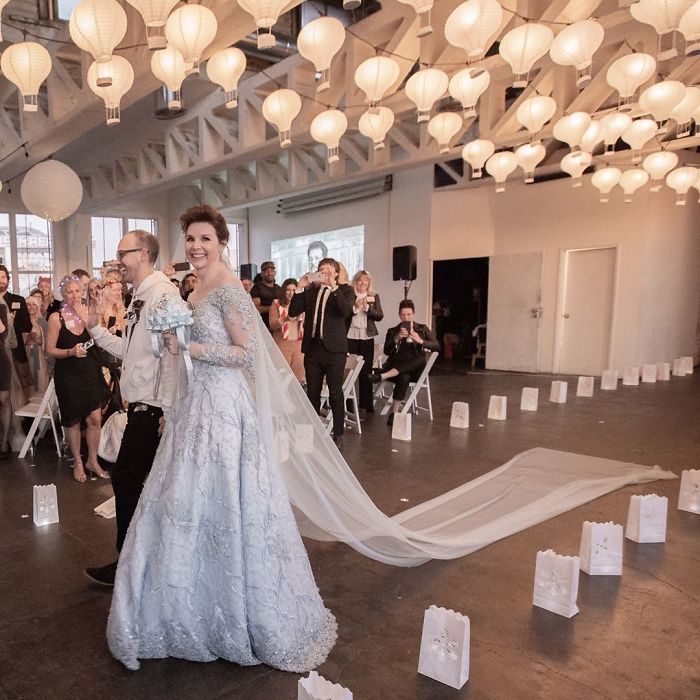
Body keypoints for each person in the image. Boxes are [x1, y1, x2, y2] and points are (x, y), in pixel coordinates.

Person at [106, 204, 336, 672]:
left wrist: (190, 345)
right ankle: (187, 600)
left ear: (221, 242)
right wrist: (175, 344)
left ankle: (234, 607)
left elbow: (247, 353)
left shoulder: (229, 290)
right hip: (195, 406)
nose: (196, 246)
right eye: (190, 238)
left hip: (226, 410)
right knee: (183, 500)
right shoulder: (194, 288)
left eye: (205, 238)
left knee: (226, 502)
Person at [79, 230, 183, 586]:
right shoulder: (142, 295)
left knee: (128, 478)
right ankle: (139, 557)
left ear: (143, 253)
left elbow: (175, 357)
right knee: (137, 482)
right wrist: (93, 325)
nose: (116, 261)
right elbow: (132, 350)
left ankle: (131, 560)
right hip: (141, 405)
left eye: (122, 253)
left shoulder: (164, 294)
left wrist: (169, 411)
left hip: (153, 409)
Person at [45, 276, 110, 482]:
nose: (74, 295)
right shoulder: (56, 318)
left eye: (77, 291)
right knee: (72, 421)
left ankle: (92, 459)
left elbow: (99, 341)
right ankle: (78, 461)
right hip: (68, 374)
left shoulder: (88, 313)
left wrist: (87, 317)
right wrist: (71, 352)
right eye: (69, 292)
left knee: (95, 418)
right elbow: (49, 350)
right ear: (62, 294)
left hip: (90, 371)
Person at [289, 258, 355, 443]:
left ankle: (339, 435)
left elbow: (345, 311)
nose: (323, 273)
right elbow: (293, 311)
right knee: (312, 392)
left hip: (335, 351)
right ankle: (311, 435)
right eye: (320, 269)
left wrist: (333, 287)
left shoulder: (345, 290)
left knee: (335, 392)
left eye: (327, 270)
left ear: (335, 273)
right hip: (313, 348)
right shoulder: (311, 291)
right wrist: (300, 288)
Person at [372, 299, 439, 425]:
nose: (406, 317)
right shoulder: (393, 331)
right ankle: (394, 413)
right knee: (404, 376)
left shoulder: (422, 329)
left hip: (416, 370)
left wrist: (420, 341)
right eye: (403, 315)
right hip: (398, 369)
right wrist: (397, 338)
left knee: (420, 359)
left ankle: (382, 376)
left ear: (413, 314)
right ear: (399, 315)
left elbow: (437, 346)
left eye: (408, 314)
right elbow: (387, 351)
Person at [347, 270, 383, 415]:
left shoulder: (374, 296)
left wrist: (368, 308)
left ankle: (366, 404)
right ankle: (348, 404)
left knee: (366, 371)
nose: (363, 283)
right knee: (349, 371)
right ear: (355, 281)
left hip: (367, 337)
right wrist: (355, 308)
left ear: (369, 283)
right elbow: (344, 314)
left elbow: (380, 315)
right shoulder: (350, 295)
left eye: (366, 280)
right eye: (360, 280)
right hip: (350, 335)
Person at [0, 265, 33, 404]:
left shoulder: (18, 300)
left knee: (24, 389)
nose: (0, 280)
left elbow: (28, 326)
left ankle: (28, 421)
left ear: (8, 279)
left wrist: (11, 323)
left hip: (17, 351)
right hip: (1, 352)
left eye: (2, 277)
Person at [269, 278, 304, 383]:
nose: (291, 293)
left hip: (298, 346)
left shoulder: (303, 304)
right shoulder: (276, 304)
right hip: (282, 345)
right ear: (283, 291)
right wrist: (286, 318)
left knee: (297, 380)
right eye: (288, 290)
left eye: (294, 290)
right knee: (280, 379)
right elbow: (272, 324)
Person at [23, 294, 49, 396]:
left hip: (39, 354)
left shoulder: (42, 322)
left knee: (41, 378)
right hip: (25, 354)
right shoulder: (21, 322)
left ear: (38, 307)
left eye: (34, 305)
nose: (31, 307)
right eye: (28, 305)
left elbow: (47, 340)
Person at [250, 261, 280, 330]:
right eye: (266, 271)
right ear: (262, 274)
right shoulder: (256, 288)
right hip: (262, 326)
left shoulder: (279, 288)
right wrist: (274, 309)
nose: (269, 274)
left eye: (272, 271)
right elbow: (256, 308)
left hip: (276, 325)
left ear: (275, 273)